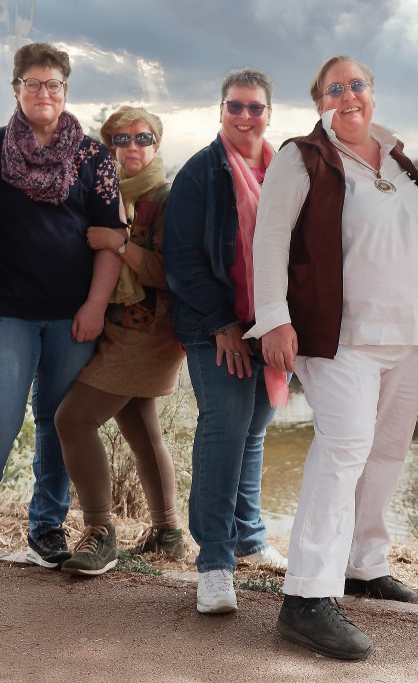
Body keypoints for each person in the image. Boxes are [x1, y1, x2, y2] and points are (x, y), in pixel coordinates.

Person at [248, 55, 418, 660]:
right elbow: (269, 239)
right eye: (333, 88)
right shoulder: (303, 157)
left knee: (386, 451)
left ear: (373, 92)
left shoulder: (399, 159)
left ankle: (364, 563)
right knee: (343, 451)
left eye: (356, 84)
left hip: (409, 332)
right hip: (342, 336)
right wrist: (274, 318)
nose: (347, 96)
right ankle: (306, 597)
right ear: (320, 100)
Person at [0, 43, 122, 583]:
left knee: (58, 422)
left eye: (54, 84)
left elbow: (111, 240)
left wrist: (95, 305)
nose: (45, 92)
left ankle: (47, 528)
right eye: (34, 83)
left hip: (72, 316)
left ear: (66, 90)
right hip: (1, 312)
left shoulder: (93, 157)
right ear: (16, 87)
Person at [164, 67, 289, 614]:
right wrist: (222, 324)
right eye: (235, 106)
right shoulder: (202, 172)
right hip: (213, 325)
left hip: (271, 323)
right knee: (226, 428)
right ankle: (214, 562)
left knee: (255, 426)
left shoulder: (284, 169)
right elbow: (181, 259)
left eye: (254, 107)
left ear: (269, 113)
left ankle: (250, 536)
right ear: (221, 110)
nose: (244, 116)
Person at [55, 106, 185, 576]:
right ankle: (168, 532)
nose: (133, 147)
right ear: (109, 146)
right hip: (121, 328)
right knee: (140, 427)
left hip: (149, 332)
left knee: (73, 419)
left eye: (143, 138)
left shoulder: (168, 198)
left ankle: (100, 532)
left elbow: (171, 273)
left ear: (157, 144)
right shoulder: (108, 193)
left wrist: (118, 244)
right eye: (122, 139)